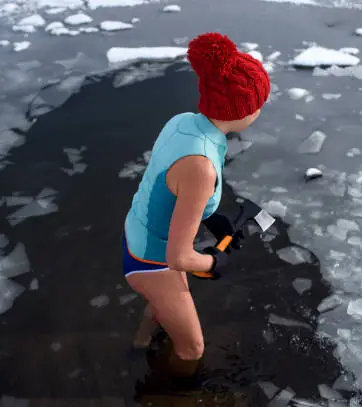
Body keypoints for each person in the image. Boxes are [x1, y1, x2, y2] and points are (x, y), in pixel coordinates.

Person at [122, 32, 271, 377]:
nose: (261, 109)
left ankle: (139, 346)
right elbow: (179, 258)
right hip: (152, 260)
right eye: (258, 103)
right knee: (192, 349)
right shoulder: (201, 166)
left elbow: (169, 188)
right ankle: (169, 397)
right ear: (242, 110)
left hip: (136, 233)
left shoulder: (184, 123)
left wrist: (210, 216)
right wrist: (215, 260)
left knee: (166, 302)